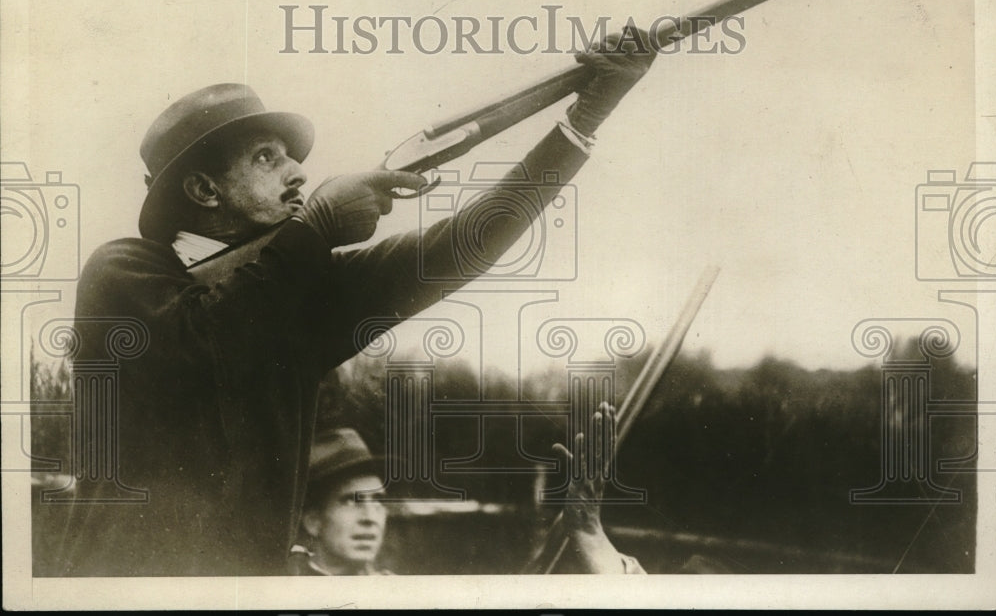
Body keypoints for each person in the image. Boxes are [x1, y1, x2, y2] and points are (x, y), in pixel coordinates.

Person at [55, 32, 655, 576]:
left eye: (292, 157)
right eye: (267, 157)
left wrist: (583, 121)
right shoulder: (121, 270)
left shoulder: (292, 289)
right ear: (203, 189)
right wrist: (313, 230)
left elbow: (460, 249)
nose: (297, 172)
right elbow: (213, 339)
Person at [289, 404, 643, 575]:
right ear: (312, 519)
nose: (370, 518)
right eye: (352, 501)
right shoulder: (273, 583)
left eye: (379, 501)